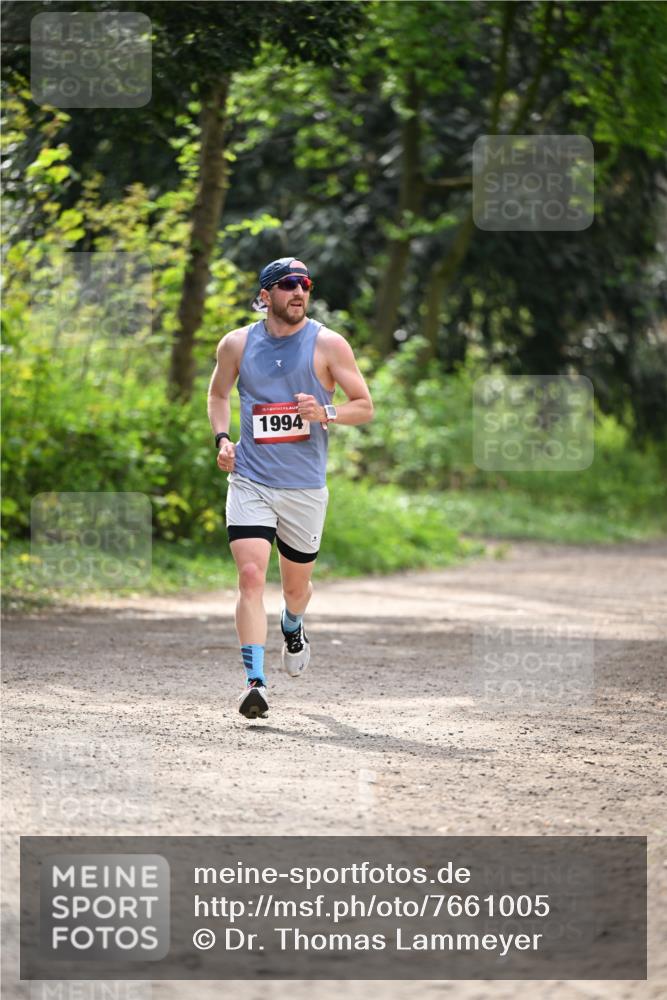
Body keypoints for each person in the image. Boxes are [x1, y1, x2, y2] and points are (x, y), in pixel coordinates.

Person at [207, 257, 374, 719]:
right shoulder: (236, 344)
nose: (299, 291)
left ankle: (293, 624)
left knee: (295, 589)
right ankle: (255, 682)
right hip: (251, 479)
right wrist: (223, 439)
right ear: (265, 296)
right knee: (251, 577)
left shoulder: (328, 344)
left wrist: (326, 413)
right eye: (287, 285)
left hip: (303, 488)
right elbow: (219, 394)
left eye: (305, 284)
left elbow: (364, 406)